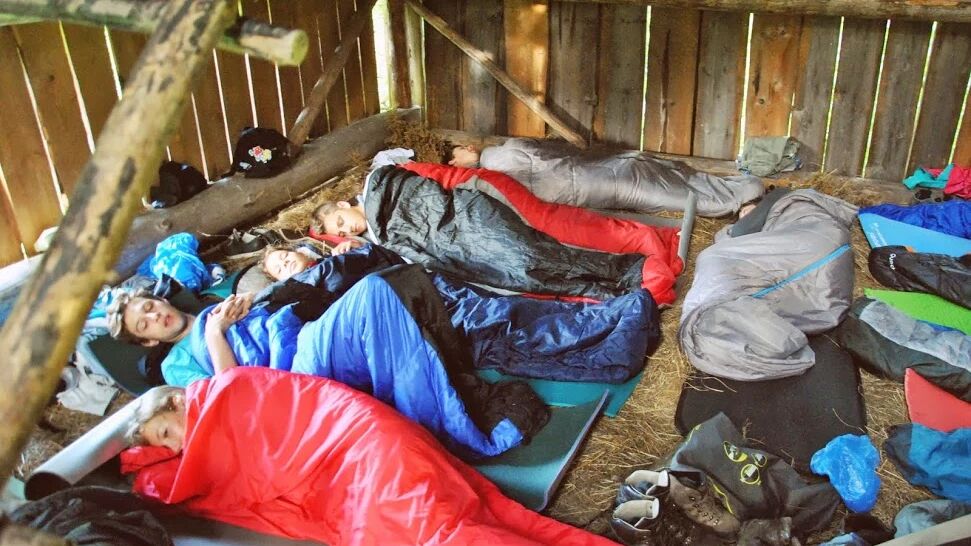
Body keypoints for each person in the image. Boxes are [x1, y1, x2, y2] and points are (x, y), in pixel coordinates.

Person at [122, 367, 616, 546]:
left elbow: (298, 416)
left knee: (434, 532)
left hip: (364, 443)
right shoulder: (205, 435)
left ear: (177, 401)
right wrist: (147, 460)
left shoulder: (229, 391)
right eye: (164, 448)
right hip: (340, 481)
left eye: (167, 432)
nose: (176, 448)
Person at [107, 267, 549, 459]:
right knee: (371, 297)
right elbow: (228, 398)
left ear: (159, 299)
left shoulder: (214, 306)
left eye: (149, 306)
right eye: (144, 323)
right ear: (147, 341)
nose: (154, 316)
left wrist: (254, 304)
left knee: (382, 289)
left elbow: (277, 319)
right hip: (284, 385)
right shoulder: (176, 368)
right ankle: (440, 431)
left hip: (299, 342)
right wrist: (214, 334)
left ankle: (419, 406)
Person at [259, 242, 659, 383]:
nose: (285, 264)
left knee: (506, 314)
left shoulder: (348, 253)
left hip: (431, 291)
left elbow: (390, 261)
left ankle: (617, 319)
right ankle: (618, 324)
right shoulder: (307, 296)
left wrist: (355, 252)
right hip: (415, 314)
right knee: (497, 332)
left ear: (301, 249)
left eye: (284, 256)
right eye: (277, 269)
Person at [312, 162, 683, 304]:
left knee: (546, 238)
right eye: (340, 232)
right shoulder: (379, 240)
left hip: (475, 203)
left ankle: (639, 257)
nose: (347, 228)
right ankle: (622, 280)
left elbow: (435, 189)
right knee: (521, 269)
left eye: (340, 220)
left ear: (345, 204)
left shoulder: (384, 180)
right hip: (460, 242)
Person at [444, 138, 764, 217]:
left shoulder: (501, 153)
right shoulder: (490, 172)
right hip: (593, 182)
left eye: (459, 150)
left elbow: (551, 155)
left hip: (593, 179)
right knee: (670, 185)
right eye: (454, 159)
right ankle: (738, 193)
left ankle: (741, 194)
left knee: (668, 191)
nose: (460, 155)